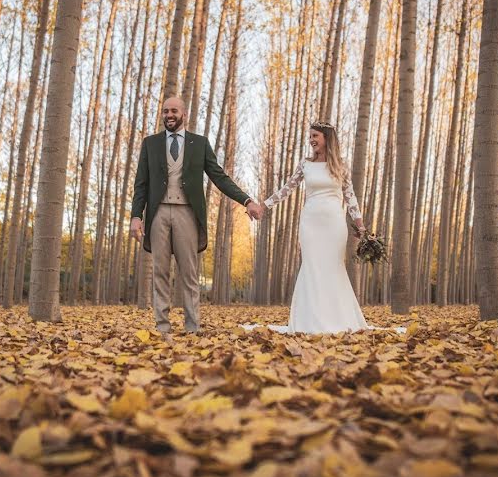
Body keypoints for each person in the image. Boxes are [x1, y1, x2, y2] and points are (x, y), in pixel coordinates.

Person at [130, 96, 261, 342]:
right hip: (157, 213)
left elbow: (219, 177)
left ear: (184, 114)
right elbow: (141, 184)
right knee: (159, 271)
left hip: (187, 212)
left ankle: (192, 327)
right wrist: (136, 216)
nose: (169, 115)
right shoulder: (150, 143)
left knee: (189, 273)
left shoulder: (199, 144)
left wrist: (246, 200)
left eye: (174, 111)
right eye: (165, 111)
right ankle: (162, 327)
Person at [256, 121, 371, 333]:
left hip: (334, 224)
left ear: (327, 138)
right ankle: (309, 320)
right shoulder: (305, 164)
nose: (311, 140)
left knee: (333, 267)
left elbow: (351, 198)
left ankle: (338, 319)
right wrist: (265, 205)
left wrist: (361, 228)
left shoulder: (341, 166)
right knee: (312, 266)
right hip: (310, 223)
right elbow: (287, 188)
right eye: (310, 136)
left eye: (315, 136)